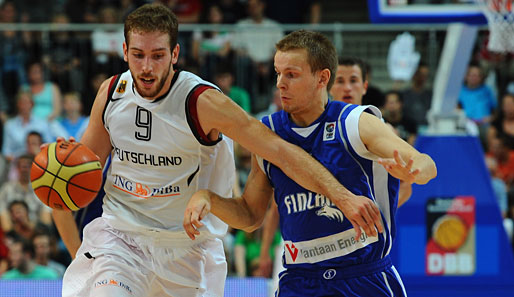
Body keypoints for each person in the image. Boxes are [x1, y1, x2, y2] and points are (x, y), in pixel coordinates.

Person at [54, 5, 382, 297]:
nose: (147, 67)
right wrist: (58, 171)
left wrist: (343, 196)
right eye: (138, 55)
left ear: (175, 54)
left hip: (186, 248)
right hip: (121, 237)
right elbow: (85, 174)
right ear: (124, 51)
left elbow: (280, 152)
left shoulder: (202, 102)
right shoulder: (112, 93)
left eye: (158, 55)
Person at [184, 30, 437, 296]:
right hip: (301, 280)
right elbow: (250, 216)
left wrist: (414, 170)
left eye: (291, 75)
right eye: (278, 73)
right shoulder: (268, 134)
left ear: (322, 78)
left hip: (363, 277)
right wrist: (209, 199)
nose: (280, 83)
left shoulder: (356, 123)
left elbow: (425, 163)